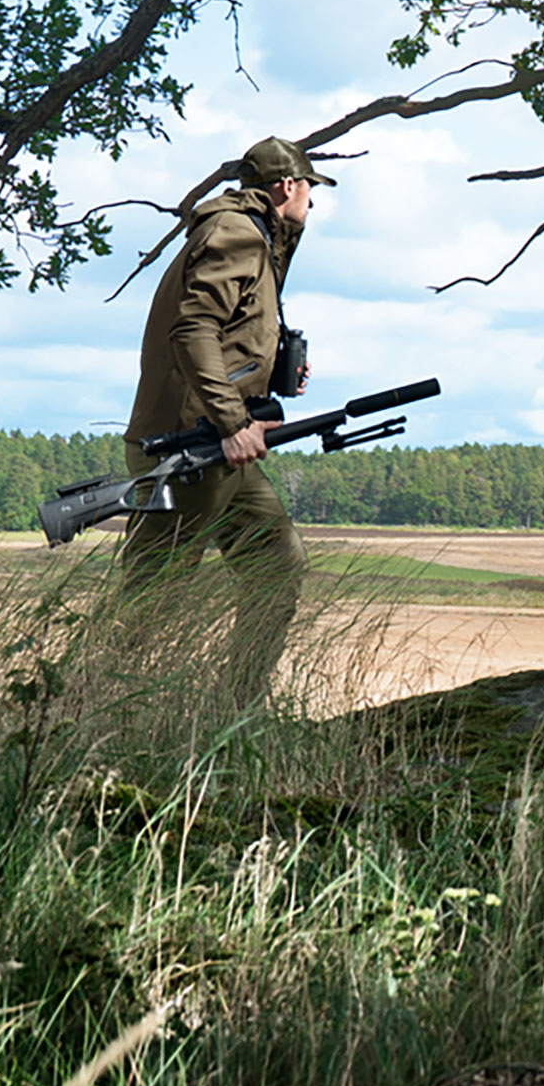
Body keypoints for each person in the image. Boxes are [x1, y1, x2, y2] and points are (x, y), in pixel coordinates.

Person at [119, 135, 335, 699]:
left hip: (219, 442)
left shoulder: (255, 238)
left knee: (278, 566)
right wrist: (234, 421)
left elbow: (225, 333)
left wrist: (267, 378)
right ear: (287, 186)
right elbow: (193, 331)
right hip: (192, 446)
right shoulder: (237, 234)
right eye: (310, 191)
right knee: (152, 597)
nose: (311, 204)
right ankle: (86, 709)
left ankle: (235, 705)